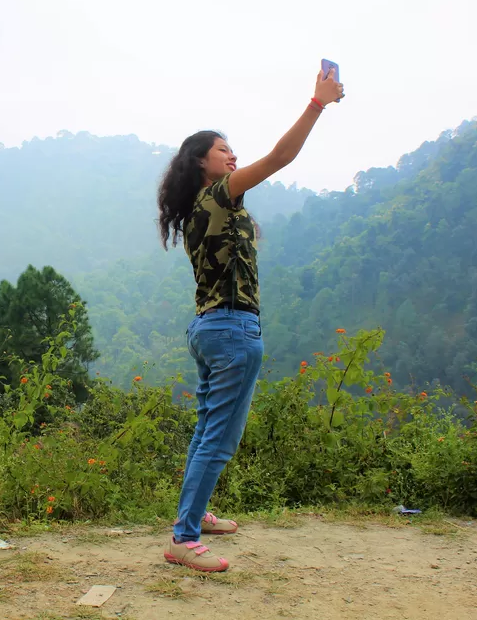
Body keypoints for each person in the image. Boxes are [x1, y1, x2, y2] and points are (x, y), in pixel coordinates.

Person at [156, 66, 344, 572]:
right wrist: (317, 103)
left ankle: (193, 517)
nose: (232, 155)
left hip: (209, 328)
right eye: (223, 149)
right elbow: (281, 157)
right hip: (232, 330)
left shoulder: (204, 205)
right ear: (201, 162)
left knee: (205, 431)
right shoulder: (217, 195)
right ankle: (184, 537)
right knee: (219, 438)